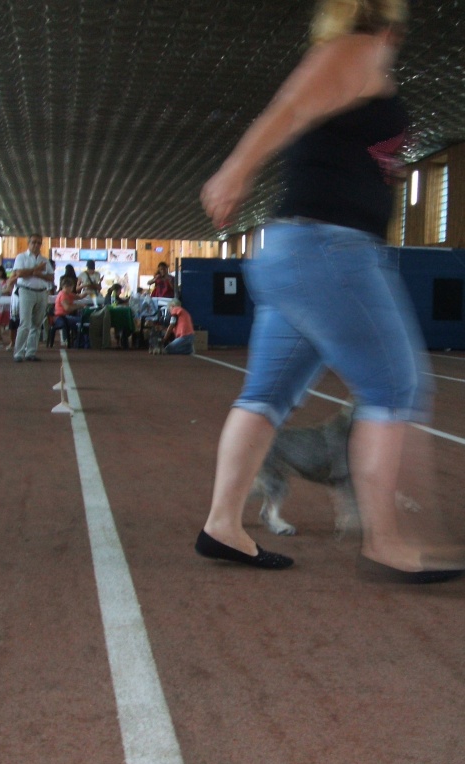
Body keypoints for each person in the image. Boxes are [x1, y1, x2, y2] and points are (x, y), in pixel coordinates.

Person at [195, 0, 463, 582]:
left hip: (295, 254)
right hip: (327, 251)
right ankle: (387, 542)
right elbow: (289, 107)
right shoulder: (356, 49)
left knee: (266, 395)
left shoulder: (363, 61)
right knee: (396, 387)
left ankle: (222, 525)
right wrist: (235, 170)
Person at [12, 234, 54, 362]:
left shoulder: (44, 260)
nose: (36, 245)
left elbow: (51, 277)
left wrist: (37, 274)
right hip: (26, 291)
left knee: (37, 324)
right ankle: (18, 353)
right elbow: (19, 273)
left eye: (39, 243)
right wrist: (36, 269)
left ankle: (31, 352)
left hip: (42, 292)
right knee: (25, 323)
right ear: (28, 243)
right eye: (33, 242)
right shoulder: (21, 257)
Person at [49, 277, 82, 347]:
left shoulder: (66, 294)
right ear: (67, 287)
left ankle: (76, 340)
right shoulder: (63, 295)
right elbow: (67, 308)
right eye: (72, 287)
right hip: (61, 317)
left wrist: (87, 292)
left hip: (63, 317)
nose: (72, 289)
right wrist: (79, 306)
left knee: (78, 319)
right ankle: (78, 341)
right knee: (81, 320)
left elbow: (79, 297)